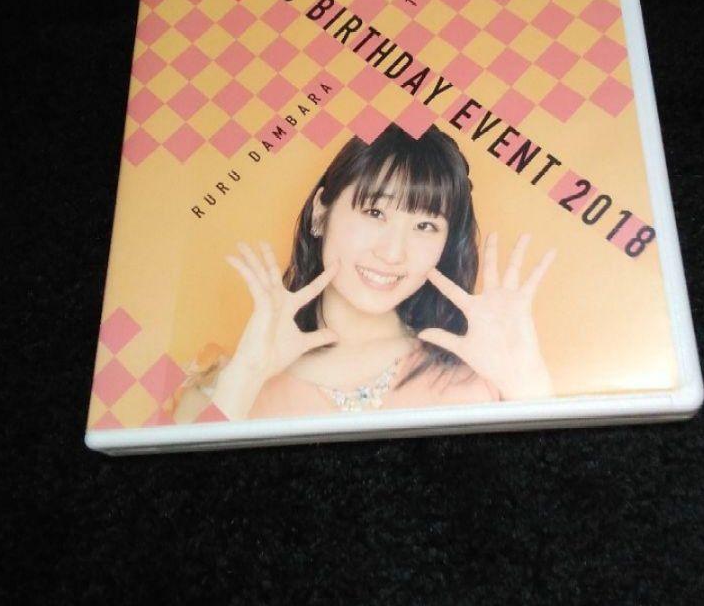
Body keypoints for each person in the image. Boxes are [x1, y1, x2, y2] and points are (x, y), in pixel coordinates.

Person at [171, 125, 556, 421]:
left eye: (425, 225)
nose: (392, 252)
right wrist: (247, 375)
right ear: (321, 213)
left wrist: (527, 387)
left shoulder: (479, 379)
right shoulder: (221, 389)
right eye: (374, 212)